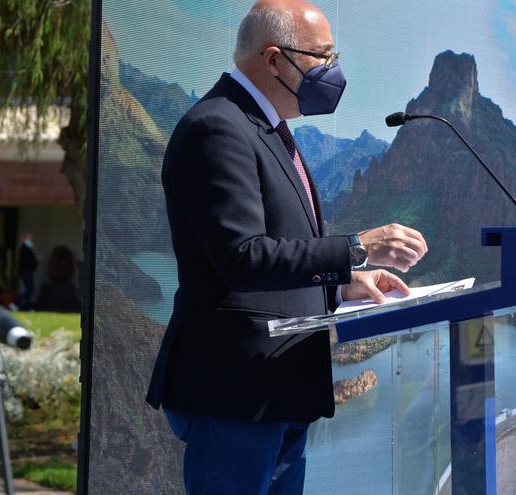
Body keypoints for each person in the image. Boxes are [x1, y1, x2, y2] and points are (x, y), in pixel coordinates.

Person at [145, 1, 429, 493]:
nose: (333, 70)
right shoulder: (217, 128)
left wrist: (343, 286)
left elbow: (279, 257)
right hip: (236, 397)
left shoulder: (269, 130)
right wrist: (357, 248)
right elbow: (243, 258)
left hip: (278, 393)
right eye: (322, 56)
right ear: (274, 59)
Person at [17, 233, 37, 310]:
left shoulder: (27, 249)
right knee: (28, 290)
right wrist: (35, 260)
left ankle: (27, 307)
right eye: (30, 239)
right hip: (25, 272)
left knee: (29, 290)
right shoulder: (24, 249)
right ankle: (16, 303)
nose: (32, 241)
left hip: (27, 271)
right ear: (26, 240)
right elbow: (28, 261)